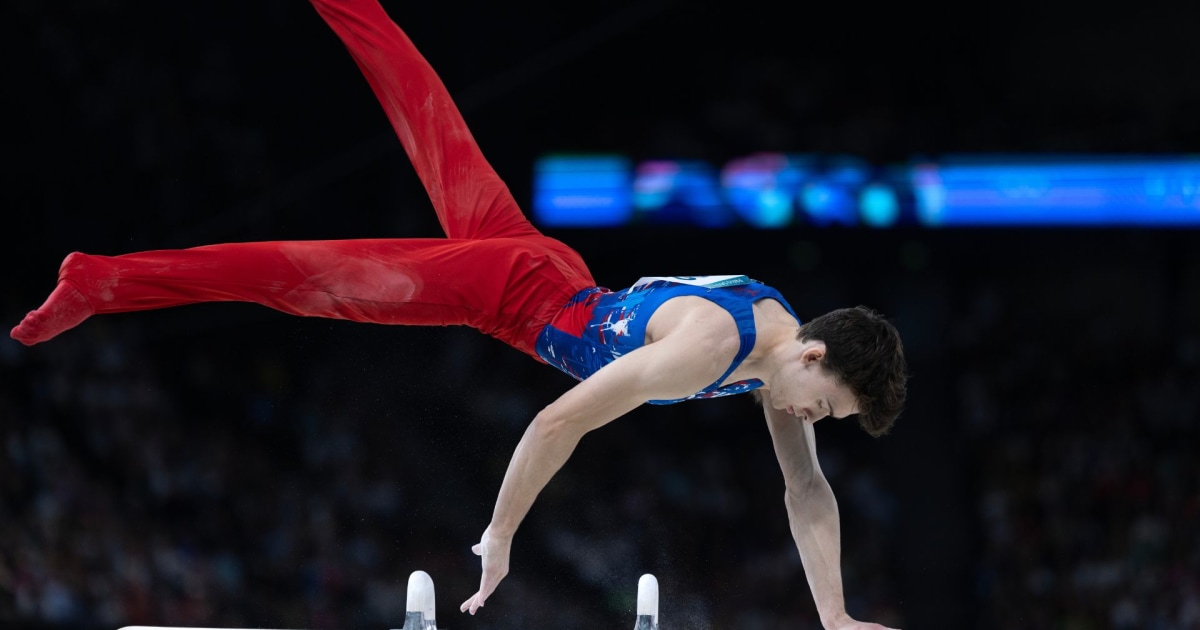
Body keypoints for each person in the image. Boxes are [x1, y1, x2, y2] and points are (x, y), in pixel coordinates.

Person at [10, 0, 908, 627]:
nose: (806, 421)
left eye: (822, 421)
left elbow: (807, 489)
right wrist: (500, 537)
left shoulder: (776, 349)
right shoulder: (718, 345)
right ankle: (104, 280)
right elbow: (561, 419)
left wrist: (834, 616)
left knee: (420, 103)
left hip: (551, 277)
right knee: (297, 277)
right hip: (510, 292)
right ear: (818, 353)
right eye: (821, 405)